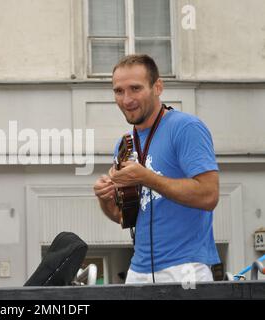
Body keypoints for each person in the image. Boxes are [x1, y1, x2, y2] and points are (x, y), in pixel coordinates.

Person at [93, 54, 220, 284]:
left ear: (158, 87)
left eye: (135, 88)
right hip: (138, 270)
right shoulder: (124, 144)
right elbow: (126, 217)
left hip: (186, 268)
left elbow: (209, 195)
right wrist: (106, 198)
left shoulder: (186, 127)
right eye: (118, 91)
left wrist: (147, 178)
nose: (126, 99)